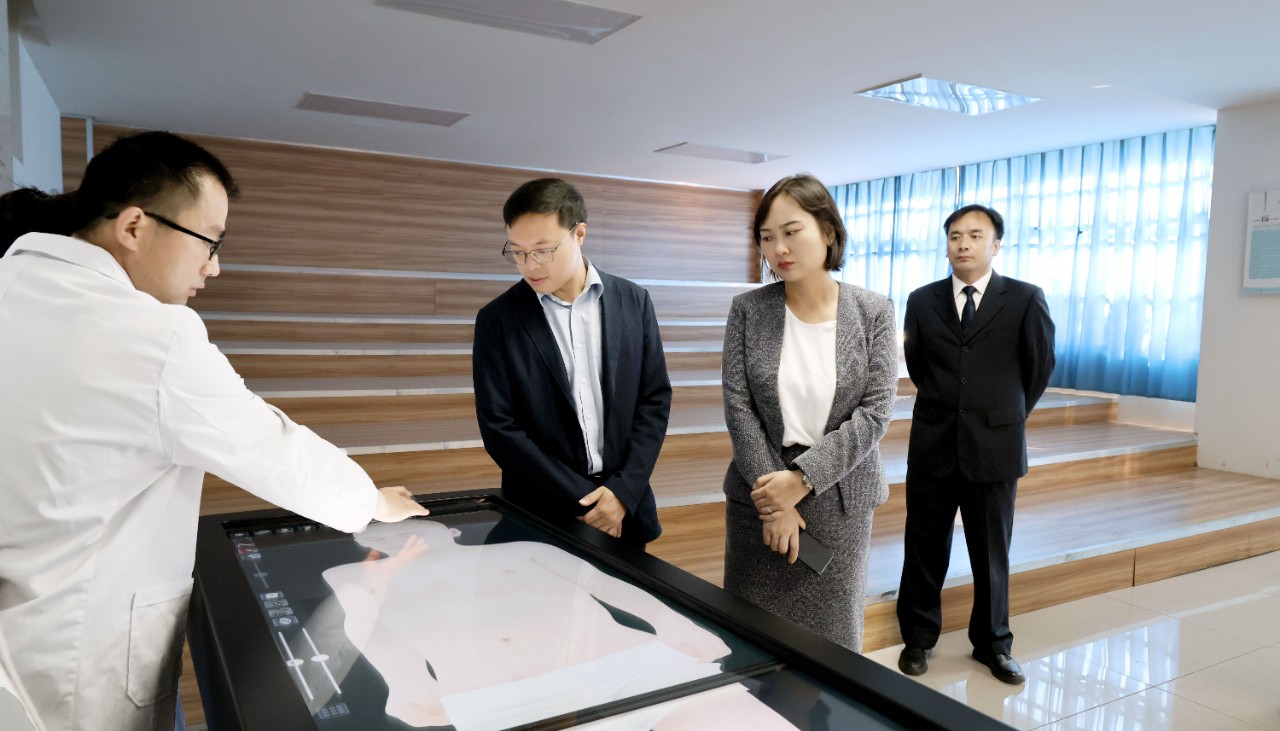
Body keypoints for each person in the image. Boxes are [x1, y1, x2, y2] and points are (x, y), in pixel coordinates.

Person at [0, 130, 427, 731]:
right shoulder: (153, 335)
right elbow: (269, 448)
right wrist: (371, 500)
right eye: (209, 241)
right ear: (133, 227)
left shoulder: (14, 284)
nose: (214, 266)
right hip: (77, 659)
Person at [319, 519, 797, 730]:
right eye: (381, 532)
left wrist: (671, 623)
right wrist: (404, 683)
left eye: (408, 524)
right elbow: (363, 629)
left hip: (630, 665)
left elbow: (608, 586)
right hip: (502, 699)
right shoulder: (357, 578)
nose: (397, 533)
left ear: (452, 528)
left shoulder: (522, 550)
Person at [722, 174, 899, 652]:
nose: (778, 248)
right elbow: (738, 406)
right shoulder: (748, 310)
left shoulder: (873, 311)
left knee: (831, 649)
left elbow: (875, 411)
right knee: (749, 643)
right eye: (766, 237)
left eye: (791, 231)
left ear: (828, 231)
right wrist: (774, 500)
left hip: (838, 498)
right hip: (759, 496)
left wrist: (802, 480)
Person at [894, 204, 1055, 684]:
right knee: (923, 546)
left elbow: (1038, 368)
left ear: (995, 244)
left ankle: (993, 644)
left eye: (975, 235)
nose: (963, 243)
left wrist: (1004, 415)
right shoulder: (922, 300)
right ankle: (918, 638)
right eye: (955, 236)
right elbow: (918, 365)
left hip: (995, 445)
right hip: (934, 441)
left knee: (991, 553)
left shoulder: (1025, 298)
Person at [472, 178, 672, 547]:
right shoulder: (497, 320)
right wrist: (589, 501)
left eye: (543, 250)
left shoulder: (634, 301)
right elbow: (501, 429)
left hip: (625, 509)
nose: (529, 266)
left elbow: (654, 401)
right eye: (518, 252)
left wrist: (621, 494)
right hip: (541, 513)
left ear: (579, 234)